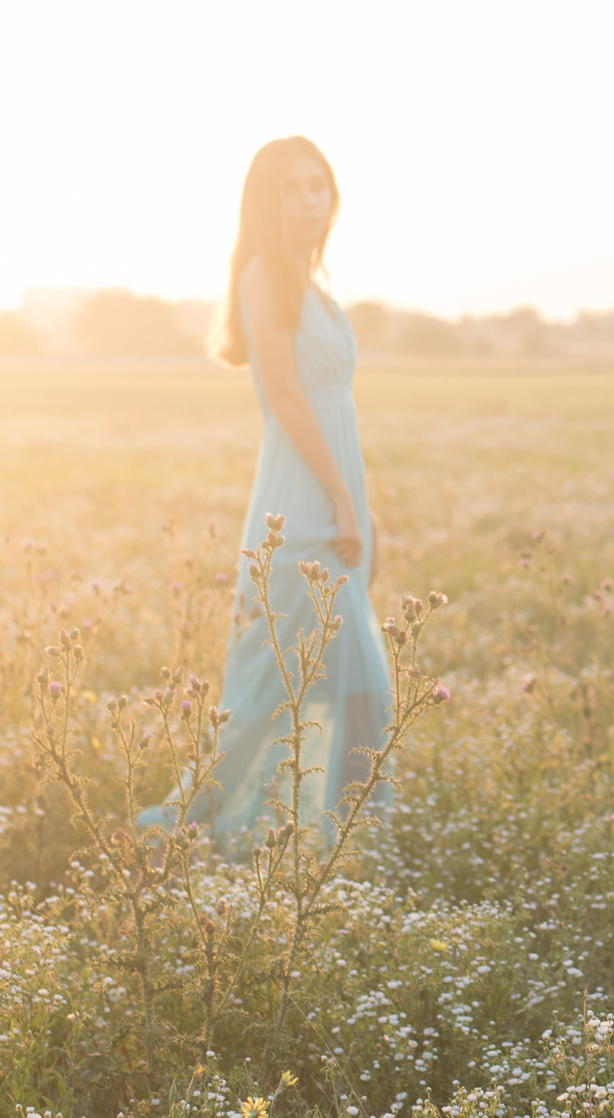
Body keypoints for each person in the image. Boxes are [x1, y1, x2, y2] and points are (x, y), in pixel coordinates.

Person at [169, 135, 392, 843]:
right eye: (294, 188)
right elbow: (289, 400)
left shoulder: (313, 284)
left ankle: (343, 838)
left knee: (354, 680)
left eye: (318, 186)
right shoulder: (266, 274)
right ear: (268, 202)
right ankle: (190, 825)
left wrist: (363, 505)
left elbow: (334, 410)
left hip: (334, 494)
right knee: (277, 687)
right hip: (299, 507)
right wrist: (342, 499)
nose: (309, 201)